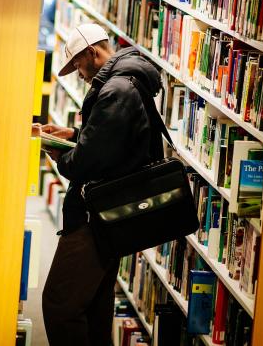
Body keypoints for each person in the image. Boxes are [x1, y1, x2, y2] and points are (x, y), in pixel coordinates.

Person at [37, 23, 162, 345]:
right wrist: (75, 136)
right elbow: (114, 142)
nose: (78, 73)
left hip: (96, 216)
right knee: (94, 304)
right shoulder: (129, 81)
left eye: (77, 63)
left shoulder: (116, 90)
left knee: (60, 305)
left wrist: (58, 153)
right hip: (114, 211)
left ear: (92, 52)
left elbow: (86, 164)